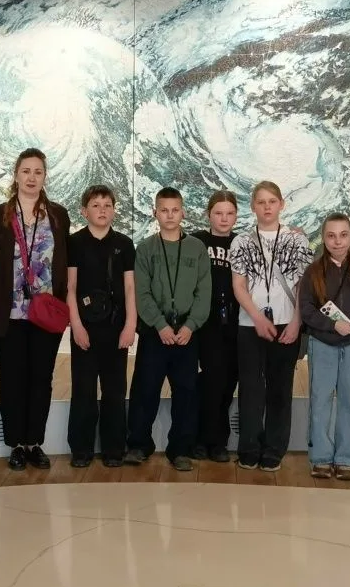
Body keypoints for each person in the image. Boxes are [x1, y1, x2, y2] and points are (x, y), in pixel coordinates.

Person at [0, 148, 71, 471]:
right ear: (16, 174)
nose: (32, 177)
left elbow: (63, 260)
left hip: (46, 315)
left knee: (41, 378)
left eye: (38, 172)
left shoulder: (58, 215)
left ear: (45, 177)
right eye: (26, 171)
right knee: (12, 379)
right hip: (10, 315)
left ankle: (34, 442)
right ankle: (16, 443)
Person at [125, 187, 212, 472]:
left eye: (175, 210)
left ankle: (180, 449)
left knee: (186, 391)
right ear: (155, 213)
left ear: (183, 212)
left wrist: (191, 325)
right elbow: (142, 292)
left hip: (187, 332)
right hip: (156, 331)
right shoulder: (146, 248)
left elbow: (204, 292)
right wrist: (159, 324)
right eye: (164, 210)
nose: (170, 215)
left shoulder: (197, 249)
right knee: (145, 388)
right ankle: (139, 444)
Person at [230, 181, 314, 472]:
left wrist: (296, 321)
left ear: (281, 205)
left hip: (286, 324)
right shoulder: (241, 241)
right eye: (261, 202)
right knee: (250, 389)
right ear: (253, 206)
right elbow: (238, 285)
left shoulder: (297, 240)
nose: (267, 207)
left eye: (272, 201)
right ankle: (249, 448)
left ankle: (274, 449)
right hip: (249, 324)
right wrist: (257, 317)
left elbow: (303, 286)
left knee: (280, 388)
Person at [299, 213, 350, 481]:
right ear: (323, 238)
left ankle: (346, 459)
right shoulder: (313, 271)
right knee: (320, 400)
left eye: (343, 235)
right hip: (323, 344)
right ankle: (321, 457)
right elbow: (306, 309)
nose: (338, 241)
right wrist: (333, 325)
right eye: (331, 236)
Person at [66, 185, 137, 469]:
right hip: (85, 327)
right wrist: (76, 326)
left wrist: (130, 324)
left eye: (107, 205)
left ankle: (114, 448)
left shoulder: (124, 244)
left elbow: (130, 287)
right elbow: (70, 288)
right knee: (83, 390)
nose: (102, 210)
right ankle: (81, 449)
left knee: (115, 391)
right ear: (84, 211)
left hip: (116, 327)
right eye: (95, 205)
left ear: (114, 210)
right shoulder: (75, 243)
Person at [191, 190, 240, 464]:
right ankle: (201, 439)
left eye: (229, 213)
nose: (224, 218)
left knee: (226, 385)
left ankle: (219, 441)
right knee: (207, 382)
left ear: (236, 216)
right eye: (218, 213)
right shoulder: (197, 241)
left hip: (233, 322)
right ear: (208, 214)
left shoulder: (242, 243)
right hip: (204, 322)